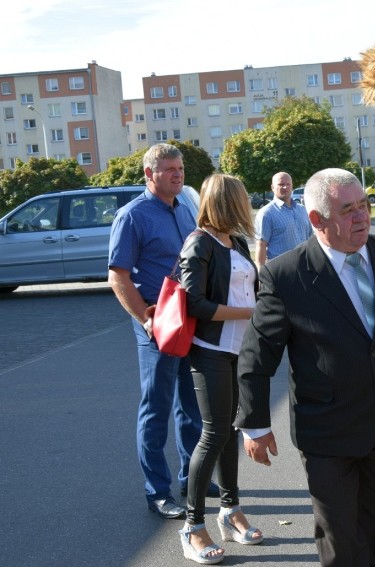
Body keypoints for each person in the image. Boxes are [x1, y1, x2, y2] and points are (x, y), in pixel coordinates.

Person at [235, 168, 375, 566]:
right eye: (348, 210)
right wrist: (255, 424)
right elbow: (258, 354)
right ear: (317, 220)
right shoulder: (286, 275)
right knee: (341, 539)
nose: (361, 217)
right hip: (327, 430)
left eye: (364, 206)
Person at [108, 143, 208, 519]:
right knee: (156, 407)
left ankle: (192, 477)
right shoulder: (132, 216)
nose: (178, 174)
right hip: (156, 321)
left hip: (189, 317)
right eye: (169, 169)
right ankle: (158, 491)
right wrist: (145, 319)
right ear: (149, 174)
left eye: (180, 168)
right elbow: (117, 276)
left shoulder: (184, 210)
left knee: (191, 404)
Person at [177, 174, 263, 564]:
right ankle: (192, 527)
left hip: (239, 350)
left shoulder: (237, 241)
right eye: (242, 199)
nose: (247, 205)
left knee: (231, 431)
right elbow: (195, 304)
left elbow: (250, 288)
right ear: (229, 202)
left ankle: (231, 511)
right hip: (210, 350)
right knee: (213, 435)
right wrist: (252, 312)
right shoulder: (199, 244)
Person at [254, 171, 312, 266]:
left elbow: (310, 238)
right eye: (281, 184)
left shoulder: (302, 210)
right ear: (272, 187)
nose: (285, 187)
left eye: (288, 184)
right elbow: (261, 245)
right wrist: (261, 274)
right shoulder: (266, 213)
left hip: (305, 267)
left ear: (292, 186)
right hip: (281, 269)